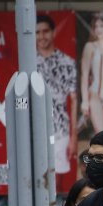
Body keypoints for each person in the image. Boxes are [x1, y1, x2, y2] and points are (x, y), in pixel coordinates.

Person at [36, 14, 78, 177]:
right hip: (34, 129)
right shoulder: (28, 64)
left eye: (45, 31)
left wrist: (73, 136)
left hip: (60, 129)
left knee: (58, 177)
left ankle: (57, 203)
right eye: (37, 32)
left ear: (53, 32)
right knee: (37, 176)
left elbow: (74, 100)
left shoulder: (66, 62)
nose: (41, 36)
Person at [80, 14, 103, 133]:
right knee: (102, 134)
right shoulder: (90, 46)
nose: (98, 29)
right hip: (95, 93)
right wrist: (85, 101)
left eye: (102, 26)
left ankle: (96, 151)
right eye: (96, 26)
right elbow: (84, 75)